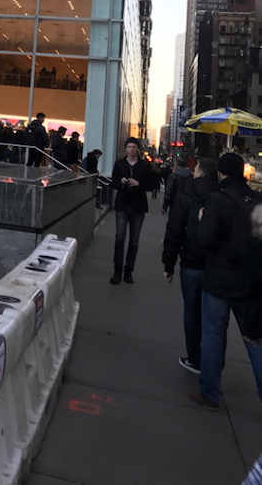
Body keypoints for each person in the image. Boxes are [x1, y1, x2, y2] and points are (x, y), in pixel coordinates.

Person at [191, 152, 262, 409]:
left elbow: (204, 241)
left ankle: (209, 393)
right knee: (254, 340)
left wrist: (202, 221)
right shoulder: (256, 200)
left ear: (221, 173)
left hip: (219, 280)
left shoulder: (217, 200)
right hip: (251, 282)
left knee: (213, 335)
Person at [162, 157, 220, 374]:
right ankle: (213, 362)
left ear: (200, 173)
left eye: (195, 169)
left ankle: (195, 358)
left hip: (192, 263)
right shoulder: (221, 197)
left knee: (192, 313)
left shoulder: (187, 197)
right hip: (215, 267)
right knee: (213, 319)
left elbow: (174, 232)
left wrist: (169, 263)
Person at [110, 137, 152, 284]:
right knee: (120, 238)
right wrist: (121, 183)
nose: (132, 150)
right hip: (122, 205)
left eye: (134, 147)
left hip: (138, 207)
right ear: (125, 149)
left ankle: (129, 270)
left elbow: (151, 184)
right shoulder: (120, 164)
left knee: (134, 241)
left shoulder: (145, 165)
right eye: (129, 147)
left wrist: (138, 184)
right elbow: (113, 182)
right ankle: (117, 270)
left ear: (138, 149)